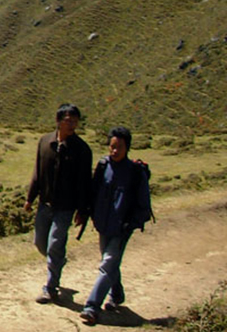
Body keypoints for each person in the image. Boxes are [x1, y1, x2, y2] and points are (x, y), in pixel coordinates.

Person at [79, 127, 152, 325]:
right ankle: (117, 294)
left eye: (119, 147)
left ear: (127, 147)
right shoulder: (103, 166)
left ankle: (91, 307)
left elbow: (144, 206)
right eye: (112, 146)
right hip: (103, 225)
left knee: (107, 264)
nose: (114, 151)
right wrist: (87, 214)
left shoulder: (135, 173)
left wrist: (129, 224)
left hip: (121, 229)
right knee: (110, 263)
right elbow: (93, 193)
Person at [24, 103, 93, 304]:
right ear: (58, 121)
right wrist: (30, 198)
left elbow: (84, 183)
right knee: (40, 242)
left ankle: (51, 287)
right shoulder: (45, 142)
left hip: (66, 207)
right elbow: (38, 172)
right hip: (44, 204)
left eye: (75, 121)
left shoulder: (82, 149)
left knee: (55, 244)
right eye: (68, 120)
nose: (72, 124)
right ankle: (58, 262)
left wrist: (83, 210)